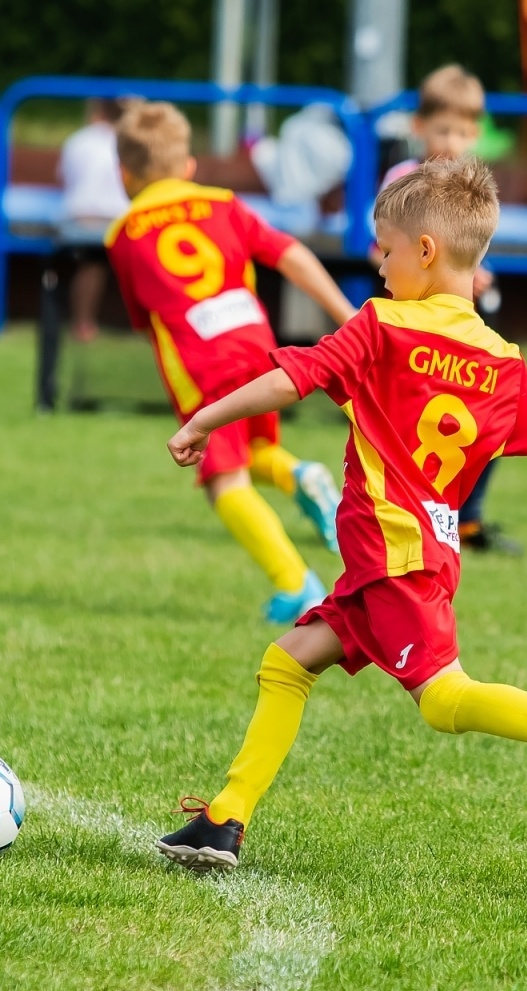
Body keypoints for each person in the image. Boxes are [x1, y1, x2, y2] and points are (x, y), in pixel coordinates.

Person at [156, 157, 527, 871]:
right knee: (289, 661)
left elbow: (291, 379)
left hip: (393, 555)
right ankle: (225, 818)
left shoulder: (384, 327)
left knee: (444, 701)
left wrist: (203, 419)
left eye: (386, 251)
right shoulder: (502, 362)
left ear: (425, 251)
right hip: (411, 555)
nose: (379, 267)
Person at [106, 102, 355, 623]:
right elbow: (290, 255)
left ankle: (298, 586)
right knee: (256, 450)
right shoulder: (223, 203)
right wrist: (346, 314)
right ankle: (299, 474)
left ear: (123, 173)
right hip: (258, 348)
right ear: (189, 166)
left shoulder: (124, 233)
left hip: (203, 364)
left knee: (224, 482)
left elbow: (144, 318)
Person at [380, 64, 516, 554]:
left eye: (462, 132)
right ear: (419, 127)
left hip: (466, 319)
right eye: (442, 130)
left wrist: (473, 274)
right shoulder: (404, 181)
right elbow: (383, 250)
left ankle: (468, 518)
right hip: (414, 323)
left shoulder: (471, 188)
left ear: (476, 134)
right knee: (407, 422)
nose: (452, 142)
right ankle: (396, 513)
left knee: (490, 413)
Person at [57, 98, 131, 343]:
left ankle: (83, 324)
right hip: (117, 221)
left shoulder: (77, 140)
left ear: (98, 111)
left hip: (78, 219)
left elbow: (63, 178)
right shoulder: (130, 142)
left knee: (91, 263)